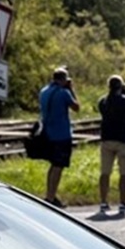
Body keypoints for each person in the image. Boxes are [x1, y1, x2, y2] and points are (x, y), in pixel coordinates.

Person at [39, 67, 80, 208]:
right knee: (58, 166)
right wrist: (71, 89)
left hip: (47, 134)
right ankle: (50, 198)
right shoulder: (63, 93)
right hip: (61, 134)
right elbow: (76, 107)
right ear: (63, 79)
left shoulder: (44, 91)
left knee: (53, 165)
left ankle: (50, 194)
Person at [97, 74, 125, 212]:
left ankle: (103, 201)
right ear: (121, 87)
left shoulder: (103, 101)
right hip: (124, 140)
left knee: (105, 172)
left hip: (106, 139)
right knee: (124, 173)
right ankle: (123, 201)